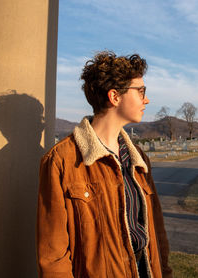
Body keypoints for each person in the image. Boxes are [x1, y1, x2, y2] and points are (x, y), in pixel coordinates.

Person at [36, 51, 172, 278]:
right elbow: (53, 255)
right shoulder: (61, 161)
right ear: (115, 96)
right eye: (141, 91)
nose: (146, 99)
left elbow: (157, 232)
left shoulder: (138, 159)